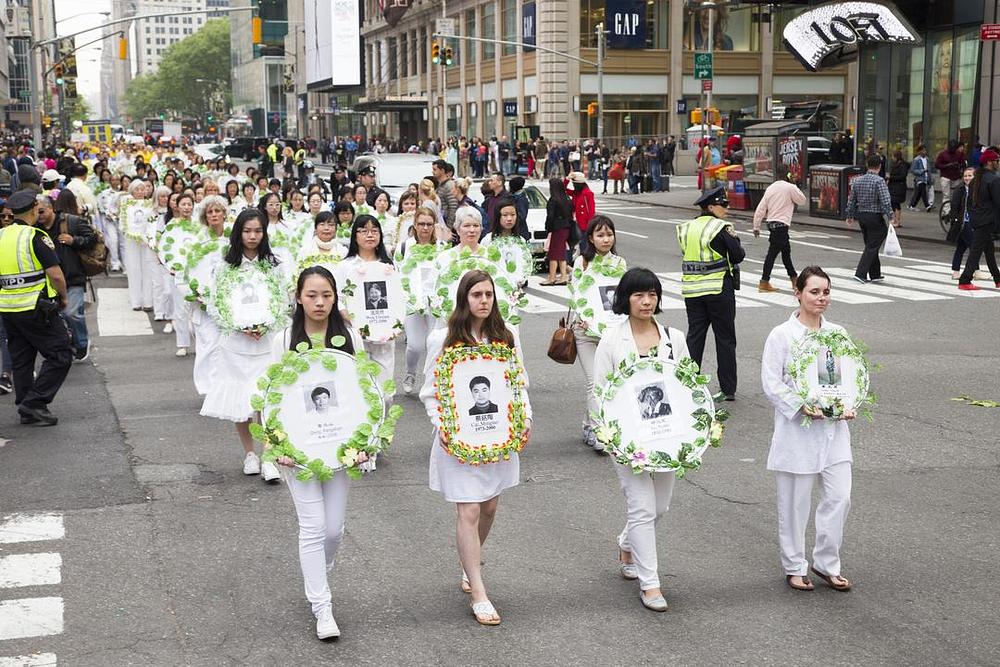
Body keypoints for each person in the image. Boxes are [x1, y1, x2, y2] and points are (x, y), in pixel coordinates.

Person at [418, 270, 533, 626]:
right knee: (467, 511)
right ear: (464, 299)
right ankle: (478, 589)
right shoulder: (444, 339)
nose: (484, 301)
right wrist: (446, 428)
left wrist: (525, 419)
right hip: (459, 442)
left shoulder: (506, 336)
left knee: (490, 507)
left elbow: (519, 383)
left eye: (489, 294)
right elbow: (430, 392)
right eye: (477, 294)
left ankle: (470, 559)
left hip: (497, 436)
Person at [269, 266, 363, 640]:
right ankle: (322, 607)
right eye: (312, 295)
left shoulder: (349, 335)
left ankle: (317, 572)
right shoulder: (283, 340)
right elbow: (272, 395)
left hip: (340, 448)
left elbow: (363, 390)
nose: (320, 302)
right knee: (312, 526)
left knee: (334, 530)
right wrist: (276, 443)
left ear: (335, 297)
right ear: (298, 297)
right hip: (298, 449)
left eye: (326, 295)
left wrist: (364, 442)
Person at [593, 267, 691, 612]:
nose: (646, 301)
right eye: (638, 295)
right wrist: (609, 437)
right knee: (643, 506)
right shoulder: (611, 340)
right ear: (626, 299)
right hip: (628, 440)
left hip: (666, 438)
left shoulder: (673, 337)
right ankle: (651, 585)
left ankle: (626, 542)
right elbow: (600, 390)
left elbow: (687, 386)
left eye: (652, 294)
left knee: (659, 506)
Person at [761, 266, 856, 593]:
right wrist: (800, 405)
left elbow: (848, 377)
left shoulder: (838, 333)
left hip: (833, 433)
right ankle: (794, 565)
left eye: (826, 292)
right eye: (814, 292)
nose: (821, 298)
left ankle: (826, 561)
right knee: (795, 503)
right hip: (797, 432)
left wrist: (849, 403)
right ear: (798, 293)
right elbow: (771, 383)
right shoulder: (782, 335)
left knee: (839, 497)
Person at [200, 209, 283, 483]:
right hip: (236, 344)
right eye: (247, 231)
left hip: (266, 342)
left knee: (267, 399)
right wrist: (239, 326)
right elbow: (215, 303)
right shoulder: (225, 265)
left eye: (257, 231)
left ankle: (269, 455)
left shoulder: (273, 264)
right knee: (240, 400)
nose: (252, 236)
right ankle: (250, 454)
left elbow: (283, 300)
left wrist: (266, 325)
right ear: (238, 232)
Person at [0, 191, 71, 425]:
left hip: (9, 308)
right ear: (34, 210)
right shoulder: (35, 237)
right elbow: (55, 274)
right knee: (60, 353)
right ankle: (35, 402)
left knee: (21, 358)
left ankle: (26, 406)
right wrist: (63, 297)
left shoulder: (1, 236)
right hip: (36, 307)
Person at [676, 187, 744, 400]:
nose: (727, 208)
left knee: (695, 337)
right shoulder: (720, 228)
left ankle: (688, 383)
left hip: (692, 291)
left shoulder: (686, 228)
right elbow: (738, 255)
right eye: (723, 204)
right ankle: (727, 389)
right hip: (718, 290)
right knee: (725, 338)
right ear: (711, 207)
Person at [335, 215, 397, 393]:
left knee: (385, 392)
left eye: (374, 231)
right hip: (354, 332)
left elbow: (399, 297)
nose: (370, 235)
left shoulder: (389, 265)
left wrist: (396, 327)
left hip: (384, 334)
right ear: (355, 236)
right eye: (364, 231)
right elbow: (337, 297)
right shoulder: (345, 266)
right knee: (360, 388)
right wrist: (349, 317)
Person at [35, 194, 96, 361]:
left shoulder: (71, 221)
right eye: (36, 212)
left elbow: (92, 238)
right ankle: (71, 341)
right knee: (59, 315)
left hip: (72, 275)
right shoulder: (35, 229)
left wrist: (74, 240)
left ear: (51, 208)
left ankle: (82, 343)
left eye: (42, 211)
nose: (39, 215)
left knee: (72, 312)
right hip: (49, 279)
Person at [752, 173, 806, 292]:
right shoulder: (790, 187)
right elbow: (802, 200)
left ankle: (794, 279)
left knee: (786, 252)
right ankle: (764, 281)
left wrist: (756, 226)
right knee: (772, 254)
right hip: (781, 225)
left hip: (772, 224)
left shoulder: (771, 188)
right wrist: (794, 185)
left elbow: (761, 208)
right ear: (788, 175)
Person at [845, 154, 892, 284]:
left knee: (871, 243)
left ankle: (875, 273)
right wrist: (891, 216)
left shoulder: (857, 180)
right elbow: (885, 200)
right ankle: (860, 273)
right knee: (873, 244)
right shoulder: (879, 181)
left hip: (862, 216)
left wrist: (849, 215)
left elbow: (852, 200)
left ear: (867, 165)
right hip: (875, 216)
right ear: (879, 166)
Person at [957, 149, 1000, 290]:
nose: (998, 163)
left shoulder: (976, 179)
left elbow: (969, 202)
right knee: (976, 251)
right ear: (989, 162)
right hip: (987, 220)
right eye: (996, 161)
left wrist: (974, 216)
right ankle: (964, 280)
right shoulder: (993, 179)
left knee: (989, 250)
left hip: (977, 219)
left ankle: (998, 279)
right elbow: (998, 202)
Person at [947, 166, 987, 281]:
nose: (967, 178)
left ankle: (955, 272)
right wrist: (954, 221)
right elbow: (954, 207)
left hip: (971, 222)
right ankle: (976, 271)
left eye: (970, 175)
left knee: (961, 248)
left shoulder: (976, 189)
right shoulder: (960, 189)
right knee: (974, 247)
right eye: (965, 176)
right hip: (963, 223)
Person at [542, 178, 573, 286]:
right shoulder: (567, 199)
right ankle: (563, 276)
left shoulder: (553, 200)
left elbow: (550, 216)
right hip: (566, 228)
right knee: (561, 253)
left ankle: (552, 277)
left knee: (553, 254)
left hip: (557, 228)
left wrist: (547, 228)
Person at [935, 140, 966, 216]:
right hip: (945, 176)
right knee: (946, 195)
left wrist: (960, 167)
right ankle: (946, 212)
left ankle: (954, 210)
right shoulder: (943, 154)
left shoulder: (959, 154)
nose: (952, 150)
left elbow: (963, 164)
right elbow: (937, 165)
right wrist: (947, 165)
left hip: (956, 176)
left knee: (956, 195)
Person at [887, 150, 909, 228]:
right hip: (894, 187)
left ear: (896, 157)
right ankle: (895, 220)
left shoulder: (902, 165)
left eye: (893, 156)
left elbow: (902, 176)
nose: (892, 158)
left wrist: (891, 177)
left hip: (898, 187)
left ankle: (897, 221)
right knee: (893, 203)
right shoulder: (896, 164)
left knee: (896, 204)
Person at [908, 145, 933, 211]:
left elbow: (929, 169)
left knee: (919, 193)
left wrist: (930, 178)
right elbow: (913, 170)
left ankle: (912, 205)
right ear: (920, 151)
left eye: (925, 150)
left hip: (926, 178)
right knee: (923, 191)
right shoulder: (916, 160)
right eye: (923, 150)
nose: (925, 152)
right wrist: (922, 171)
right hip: (919, 179)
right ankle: (927, 206)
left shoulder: (927, 159)